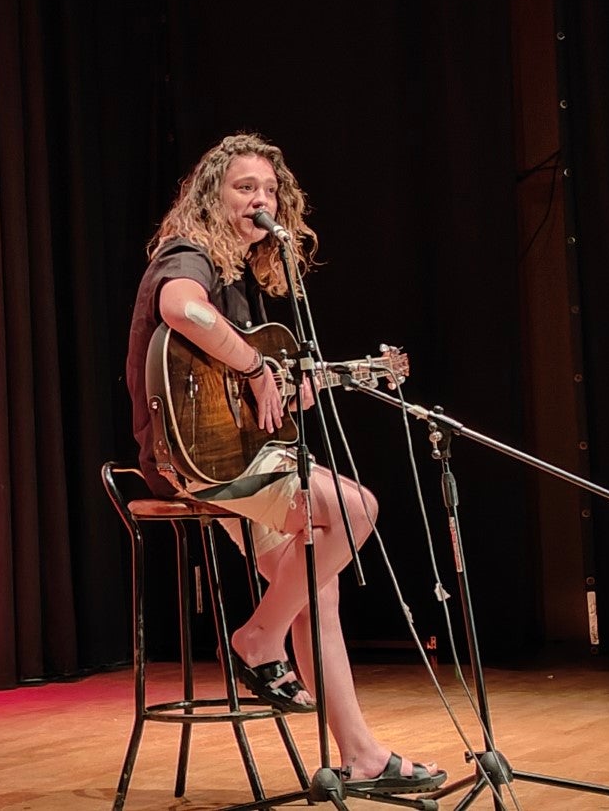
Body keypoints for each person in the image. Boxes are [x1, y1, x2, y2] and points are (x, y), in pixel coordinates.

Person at [125, 131, 446, 795]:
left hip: (231, 455)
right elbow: (179, 309)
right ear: (212, 195)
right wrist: (253, 367)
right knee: (355, 509)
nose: (260, 199)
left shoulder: (243, 287)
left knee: (312, 578)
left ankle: (358, 755)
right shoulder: (188, 256)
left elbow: (247, 384)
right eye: (244, 187)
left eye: (269, 190)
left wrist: (286, 384)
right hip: (195, 462)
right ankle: (255, 641)